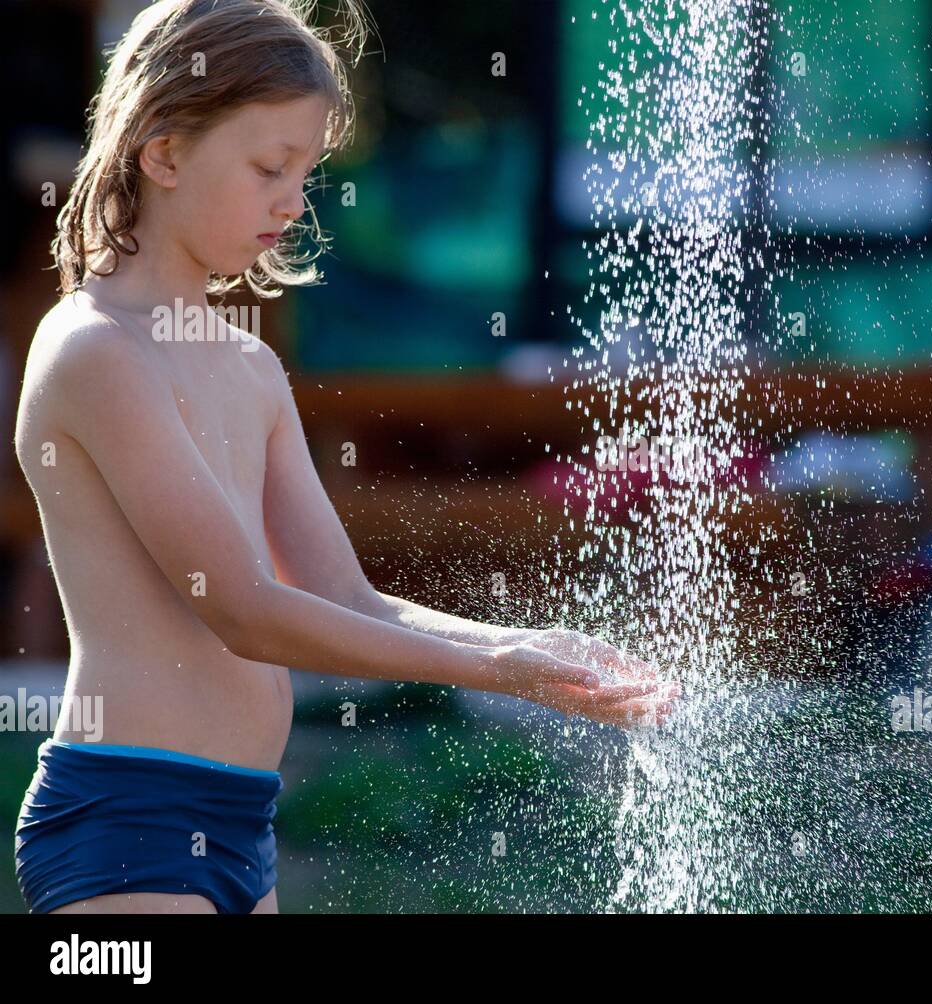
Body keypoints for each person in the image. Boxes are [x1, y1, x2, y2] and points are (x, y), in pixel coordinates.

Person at [11, 0, 679, 916]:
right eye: (267, 167)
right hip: (129, 820)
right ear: (162, 154)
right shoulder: (94, 351)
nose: (292, 201)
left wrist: (529, 649)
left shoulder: (249, 364)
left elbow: (342, 600)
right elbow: (243, 611)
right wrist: (497, 673)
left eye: (307, 172)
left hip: (244, 823)